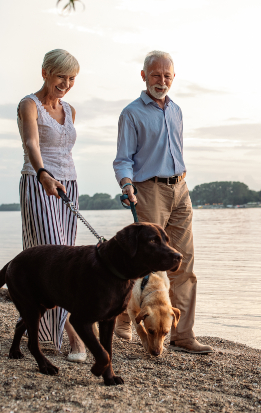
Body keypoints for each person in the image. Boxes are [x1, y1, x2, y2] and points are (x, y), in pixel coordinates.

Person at [112, 50, 213, 354]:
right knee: (141, 264)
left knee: (184, 264)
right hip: (149, 190)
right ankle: (123, 319)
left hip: (180, 188)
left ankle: (182, 335)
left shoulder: (176, 111)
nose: (162, 80)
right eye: (156, 75)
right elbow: (123, 159)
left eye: (167, 75)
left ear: (173, 78)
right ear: (144, 76)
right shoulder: (131, 113)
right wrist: (127, 184)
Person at [17, 49, 87, 363]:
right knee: (53, 258)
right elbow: (31, 143)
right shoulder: (28, 104)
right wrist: (43, 172)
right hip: (39, 182)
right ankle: (76, 335)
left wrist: (62, 179)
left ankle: (38, 329)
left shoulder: (70, 109)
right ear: (46, 71)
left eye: (71, 78)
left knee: (67, 261)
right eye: (61, 76)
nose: (66, 83)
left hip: (68, 185)